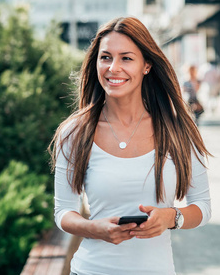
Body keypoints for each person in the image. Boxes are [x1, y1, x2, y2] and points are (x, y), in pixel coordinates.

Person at [50, 17, 211, 275]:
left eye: (126, 58)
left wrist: (171, 218)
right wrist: (95, 229)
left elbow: (202, 206)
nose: (114, 68)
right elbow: (63, 211)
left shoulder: (177, 129)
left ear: (146, 65)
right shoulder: (75, 132)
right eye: (106, 57)